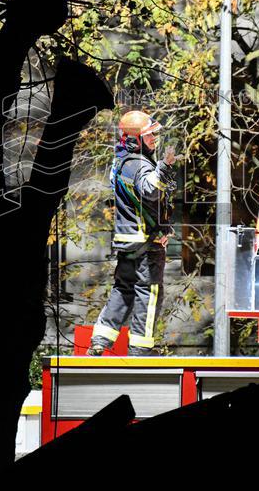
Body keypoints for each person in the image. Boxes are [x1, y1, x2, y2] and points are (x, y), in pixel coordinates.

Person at [88, 110, 178, 356]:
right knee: (149, 293)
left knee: (124, 288)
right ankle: (141, 347)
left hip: (128, 241)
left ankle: (100, 340)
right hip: (146, 243)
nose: (155, 139)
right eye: (150, 135)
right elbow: (150, 190)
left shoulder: (120, 163)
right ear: (134, 140)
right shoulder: (139, 164)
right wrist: (165, 167)